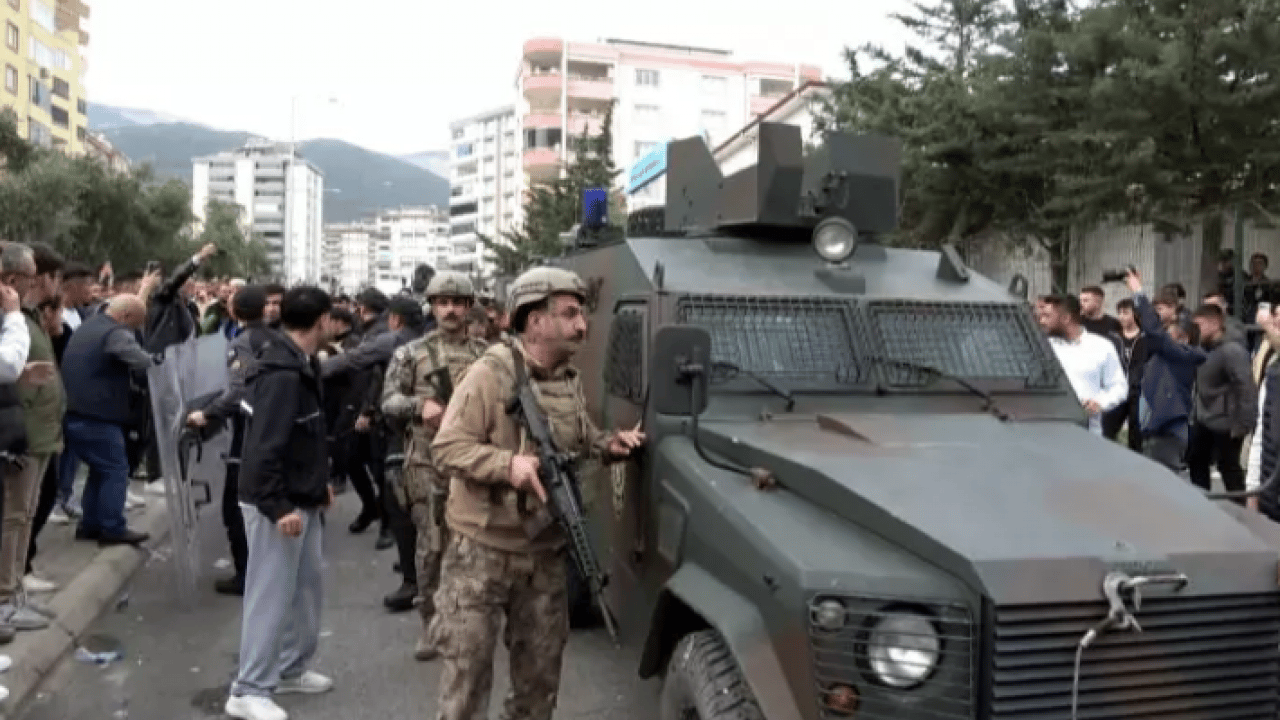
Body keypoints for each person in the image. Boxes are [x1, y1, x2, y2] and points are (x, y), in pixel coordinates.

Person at [430, 267, 645, 720]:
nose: (582, 325)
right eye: (569, 314)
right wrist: (508, 465)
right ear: (534, 322)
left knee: (539, 684)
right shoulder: (488, 376)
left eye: (582, 314)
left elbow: (579, 440)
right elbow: (447, 448)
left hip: (544, 555)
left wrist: (611, 444)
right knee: (466, 684)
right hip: (481, 554)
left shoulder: (566, 378)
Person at [225, 286, 335, 720]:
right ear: (322, 320)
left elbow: (305, 436)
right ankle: (248, 688)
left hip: (299, 496)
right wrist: (278, 507)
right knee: (270, 596)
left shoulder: (299, 363)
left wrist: (317, 484)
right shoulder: (282, 373)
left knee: (306, 588)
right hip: (277, 503)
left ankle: (290, 668)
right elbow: (263, 450)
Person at [380, 271, 487, 661]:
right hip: (427, 461)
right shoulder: (411, 353)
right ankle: (430, 622)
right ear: (433, 306)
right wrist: (418, 406)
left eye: (458, 303)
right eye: (444, 302)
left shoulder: (485, 355)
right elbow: (388, 401)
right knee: (432, 546)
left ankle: (466, 622)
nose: (452, 310)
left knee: (474, 545)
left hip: (474, 461)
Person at [186, 285, 278, 596]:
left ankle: (246, 574)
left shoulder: (242, 343)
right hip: (275, 428)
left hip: (249, 433)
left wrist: (207, 414)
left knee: (235, 507)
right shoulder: (276, 338)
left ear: (234, 312)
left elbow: (238, 391)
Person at [60, 289, 162, 546]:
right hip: (96, 415)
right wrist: (164, 365)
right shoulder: (115, 333)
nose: (136, 331)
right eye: (136, 325)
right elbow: (142, 362)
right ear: (126, 316)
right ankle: (113, 528)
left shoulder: (90, 326)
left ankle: (91, 524)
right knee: (117, 468)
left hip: (76, 412)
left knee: (100, 469)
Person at [1187, 302, 1257, 501]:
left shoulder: (1232, 350)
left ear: (1215, 324)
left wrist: (1243, 424)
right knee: (1196, 460)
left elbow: (1246, 388)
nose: (1195, 331)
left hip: (1227, 423)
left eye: (1198, 326)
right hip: (1204, 417)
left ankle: (1241, 512)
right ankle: (1202, 503)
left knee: (1229, 469)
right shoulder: (1203, 348)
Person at [1041, 294, 1128, 434]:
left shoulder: (1101, 346)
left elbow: (1119, 387)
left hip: (1088, 433)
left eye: (1047, 316)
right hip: (1048, 431)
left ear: (1065, 318)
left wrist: (1099, 403)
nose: (1042, 321)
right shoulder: (1043, 347)